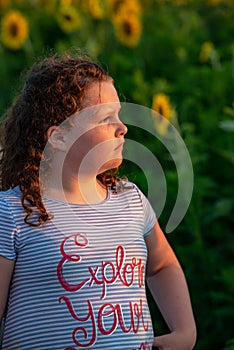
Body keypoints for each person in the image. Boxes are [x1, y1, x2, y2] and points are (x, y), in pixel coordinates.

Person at [0, 52, 196, 350]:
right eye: (106, 118)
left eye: (118, 115)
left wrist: (184, 332)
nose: (123, 127)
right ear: (59, 137)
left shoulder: (130, 200)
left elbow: (162, 265)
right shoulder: (12, 212)